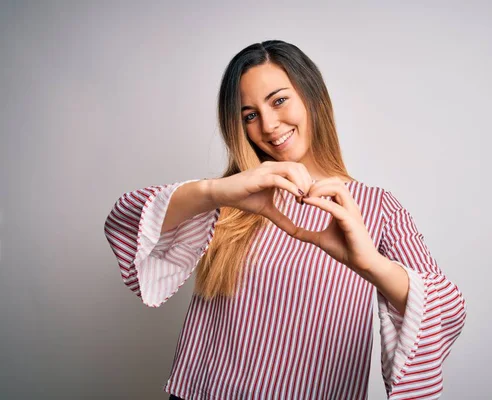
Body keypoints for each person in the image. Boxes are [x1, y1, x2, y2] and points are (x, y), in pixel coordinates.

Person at [104, 40, 466, 400]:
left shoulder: (376, 208)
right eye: (250, 115)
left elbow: (448, 312)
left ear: (312, 97)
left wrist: (371, 264)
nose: (269, 125)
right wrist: (215, 191)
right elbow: (124, 223)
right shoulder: (234, 198)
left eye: (278, 101)